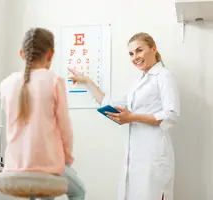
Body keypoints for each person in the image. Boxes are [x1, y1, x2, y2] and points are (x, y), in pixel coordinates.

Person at [68, 32, 180, 200]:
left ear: (153, 49)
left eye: (139, 50)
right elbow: (112, 103)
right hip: (135, 155)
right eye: (131, 54)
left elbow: (171, 115)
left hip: (153, 155)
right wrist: (87, 82)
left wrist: (133, 117)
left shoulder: (164, 76)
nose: (135, 57)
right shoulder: (138, 82)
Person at [0, 27, 85, 200]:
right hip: (46, 165)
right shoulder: (53, 80)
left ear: (22, 54)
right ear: (50, 55)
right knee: (78, 191)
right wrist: (67, 159)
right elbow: (65, 129)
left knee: (37, 189)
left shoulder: (7, 84)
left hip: (15, 166)